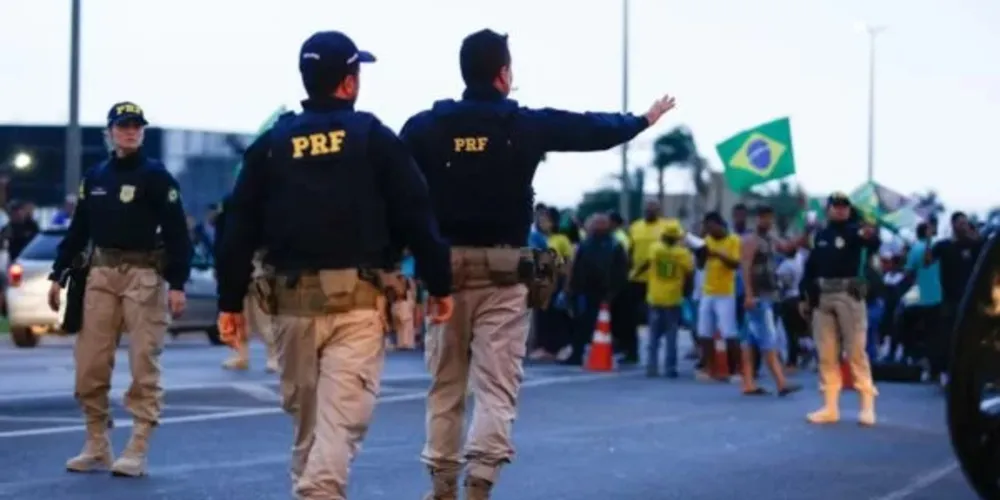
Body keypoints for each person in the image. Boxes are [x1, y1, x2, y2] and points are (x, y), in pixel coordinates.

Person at [400, 28, 675, 500]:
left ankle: (441, 486)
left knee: (446, 386)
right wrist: (642, 120)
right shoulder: (523, 124)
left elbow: (396, 189)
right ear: (504, 74)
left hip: (445, 274)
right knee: (496, 386)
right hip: (505, 275)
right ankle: (480, 484)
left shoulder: (425, 127)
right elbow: (589, 128)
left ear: (465, 72)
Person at [214, 31, 454, 499]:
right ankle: (318, 492)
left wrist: (229, 301)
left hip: (290, 308)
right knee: (338, 423)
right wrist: (439, 284)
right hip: (356, 307)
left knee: (310, 429)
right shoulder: (374, 139)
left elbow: (237, 223)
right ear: (348, 82)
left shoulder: (272, 144)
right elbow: (416, 211)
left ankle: (313, 488)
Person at [47, 101, 192, 477]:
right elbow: (79, 230)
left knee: (144, 363)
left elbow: (178, 232)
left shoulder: (157, 177)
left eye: (136, 126)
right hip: (101, 275)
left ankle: (138, 446)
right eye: (123, 126)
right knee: (89, 364)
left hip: (143, 275)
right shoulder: (95, 178)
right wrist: (58, 273)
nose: (131, 131)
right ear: (110, 132)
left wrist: (178, 282)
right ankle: (97, 441)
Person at [799, 193, 880, 426]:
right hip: (823, 297)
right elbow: (811, 266)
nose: (841, 210)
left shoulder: (855, 231)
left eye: (844, 206)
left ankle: (866, 406)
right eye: (836, 206)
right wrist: (804, 296)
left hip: (848, 295)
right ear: (829, 209)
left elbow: (872, 244)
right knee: (826, 354)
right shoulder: (822, 235)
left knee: (855, 352)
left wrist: (870, 232)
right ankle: (830, 407)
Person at [738, 205, 802, 396]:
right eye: (764, 218)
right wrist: (749, 295)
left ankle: (748, 382)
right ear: (757, 218)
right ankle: (781, 382)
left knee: (748, 341)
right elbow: (745, 268)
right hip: (758, 297)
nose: (768, 221)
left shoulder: (770, 238)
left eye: (770, 218)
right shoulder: (750, 240)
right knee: (768, 339)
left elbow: (787, 247)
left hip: (766, 294)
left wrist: (806, 233)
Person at [924, 211, 983, 384]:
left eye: (966, 223)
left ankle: (972, 372)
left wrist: (976, 234)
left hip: (971, 299)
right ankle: (944, 371)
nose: (964, 227)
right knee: (948, 335)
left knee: (972, 336)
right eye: (960, 223)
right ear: (953, 225)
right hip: (950, 299)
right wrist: (928, 240)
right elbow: (927, 261)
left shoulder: (975, 245)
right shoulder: (944, 246)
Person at [565, 213, 629, 366]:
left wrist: (614, 291)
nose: (598, 226)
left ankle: (610, 353)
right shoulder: (586, 244)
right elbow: (577, 267)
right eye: (596, 223)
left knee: (606, 325)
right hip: (586, 291)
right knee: (581, 324)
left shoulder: (615, 245)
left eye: (602, 223)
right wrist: (572, 288)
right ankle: (577, 354)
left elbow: (621, 271)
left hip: (607, 292)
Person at [617, 201, 670, 364]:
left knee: (661, 317)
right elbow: (629, 251)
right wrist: (626, 270)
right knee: (630, 317)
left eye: (653, 209)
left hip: (659, 279)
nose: (649, 211)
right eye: (647, 209)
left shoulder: (667, 227)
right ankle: (632, 352)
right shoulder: (635, 227)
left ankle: (663, 352)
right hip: (636, 279)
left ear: (659, 210)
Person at [694, 212, 742, 381]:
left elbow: (736, 264)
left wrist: (718, 254)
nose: (708, 230)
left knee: (729, 332)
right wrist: (699, 250)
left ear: (720, 225)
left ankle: (736, 370)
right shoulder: (706, 241)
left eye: (711, 226)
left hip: (725, 293)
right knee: (704, 332)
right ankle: (709, 368)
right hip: (707, 292)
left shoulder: (733, 240)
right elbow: (700, 265)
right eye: (706, 227)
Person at [644, 219, 693, 378]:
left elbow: (648, 263)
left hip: (655, 297)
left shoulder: (655, 249)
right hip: (673, 298)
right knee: (672, 335)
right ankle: (670, 368)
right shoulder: (682, 253)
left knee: (653, 335)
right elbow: (689, 272)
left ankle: (652, 368)